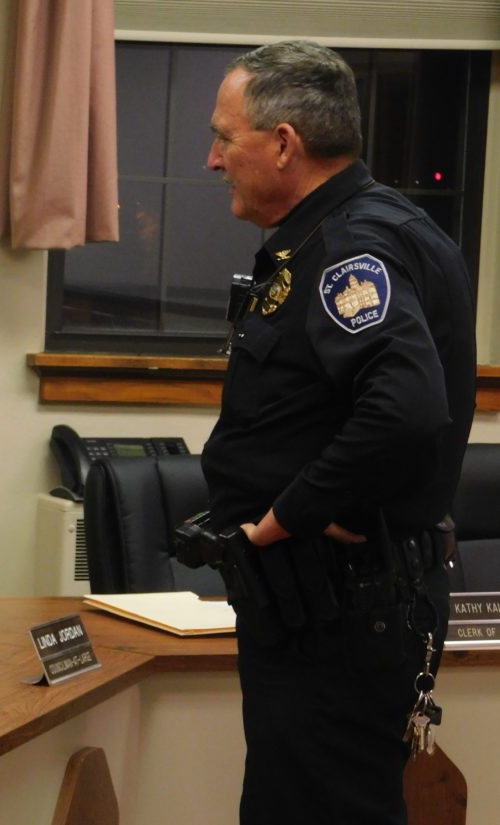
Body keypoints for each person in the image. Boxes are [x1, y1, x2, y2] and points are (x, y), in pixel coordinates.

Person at [199, 41, 476, 825]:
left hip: (336, 608)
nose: (213, 160)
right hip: (336, 606)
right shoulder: (368, 227)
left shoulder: (351, 248)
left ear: (284, 143)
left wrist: (285, 516)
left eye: (225, 137)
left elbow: (404, 407)